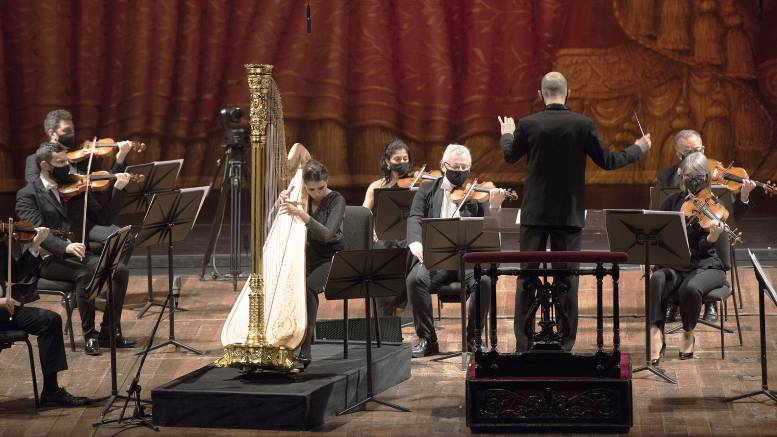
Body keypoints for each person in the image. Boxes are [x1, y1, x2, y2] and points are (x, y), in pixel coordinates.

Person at [498, 71, 652, 352]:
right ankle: (565, 345)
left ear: (539, 94)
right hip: (568, 215)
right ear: (568, 93)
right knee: (567, 279)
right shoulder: (583, 124)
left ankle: (524, 345)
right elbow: (608, 161)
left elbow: (509, 156)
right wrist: (638, 149)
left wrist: (507, 134)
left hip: (533, 215)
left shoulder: (528, 124)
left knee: (526, 278)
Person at [15, 142, 136, 356]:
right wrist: (66, 246)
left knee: (121, 271)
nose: (67, 166)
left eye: (67, 161)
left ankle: (108, 332)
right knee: (87, 271)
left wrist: (117, 191)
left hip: (79, 253)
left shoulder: (75, 187)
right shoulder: (28, 195)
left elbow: (103, 218)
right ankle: (89, 335)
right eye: (61, 163)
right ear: (45, 165)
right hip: (46, 259)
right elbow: (36, 232)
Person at [648, 152, 751, 363]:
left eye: (698, 176)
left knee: (690, 288)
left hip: (708, 266)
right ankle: (655, 333)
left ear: (706, 177)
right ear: (681, 176)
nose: (692, 180)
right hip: (678, 265)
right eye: (687, 175)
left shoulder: (715, 205)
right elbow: (658, 233)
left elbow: (704, 248)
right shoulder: (671, 203)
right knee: (657, 278)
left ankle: (688, 333)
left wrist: (712, 237)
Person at [405, 144, 506, 357]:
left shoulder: (477, 193)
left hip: (468, 259)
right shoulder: (427, 190)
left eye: (464, 167)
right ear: (443, 166)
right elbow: (414, 216)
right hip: (437, 258)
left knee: (484, 281)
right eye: (455, 166)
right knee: (415, 279)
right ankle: (427, 339)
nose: (460, 171)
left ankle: (474, 339)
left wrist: (495, 209)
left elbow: (492, 228)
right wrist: (416, 242)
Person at [656, 129, 756, 323]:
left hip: (709, 247)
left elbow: (729, 217)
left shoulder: (715, 173)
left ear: (703, 148)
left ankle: (709, 303)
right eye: (688, 153)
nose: (695, 156)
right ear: (679, 155)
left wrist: (743, 196)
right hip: (683, 239)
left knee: (708, 253)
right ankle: (673, 302)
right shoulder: (667, 176)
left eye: (698, 150)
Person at [1, 226, 90, 407]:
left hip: (4, 312)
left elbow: (18, 274)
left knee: (50, 320)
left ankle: (51, 391)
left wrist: (35, 246)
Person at [277, 159, 345, 367]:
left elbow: (326, 235)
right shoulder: (302, 197)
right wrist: (281, 202)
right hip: (309, 256)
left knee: (307, 288)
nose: (316, 193)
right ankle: (285, 337)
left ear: (327, 182)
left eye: (321, 188)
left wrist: (302, 214)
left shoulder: (336, 200)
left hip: (333, 257)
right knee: (284, 283)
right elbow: (281, 220)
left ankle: (305, 346)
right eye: (311, 189)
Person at [362, 139, 413, 316]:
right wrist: (373, 230)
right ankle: (384, 311)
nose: (402, 163)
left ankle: (403, 305)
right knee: (383, 248)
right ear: (387, 161)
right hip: (384, 236)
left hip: (408, 235)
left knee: (410, 249)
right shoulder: (376, 186)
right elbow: (363, 214)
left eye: (405, 159)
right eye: (397, 159)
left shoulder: (416, 185)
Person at [25, 109, 133, 183]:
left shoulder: (85, 156)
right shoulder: (34, 160)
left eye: (72, 130)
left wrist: (120, 159)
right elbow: (37, 191)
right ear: (52, 133)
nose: (72, 134)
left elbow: (105, 182)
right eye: (66, 130)